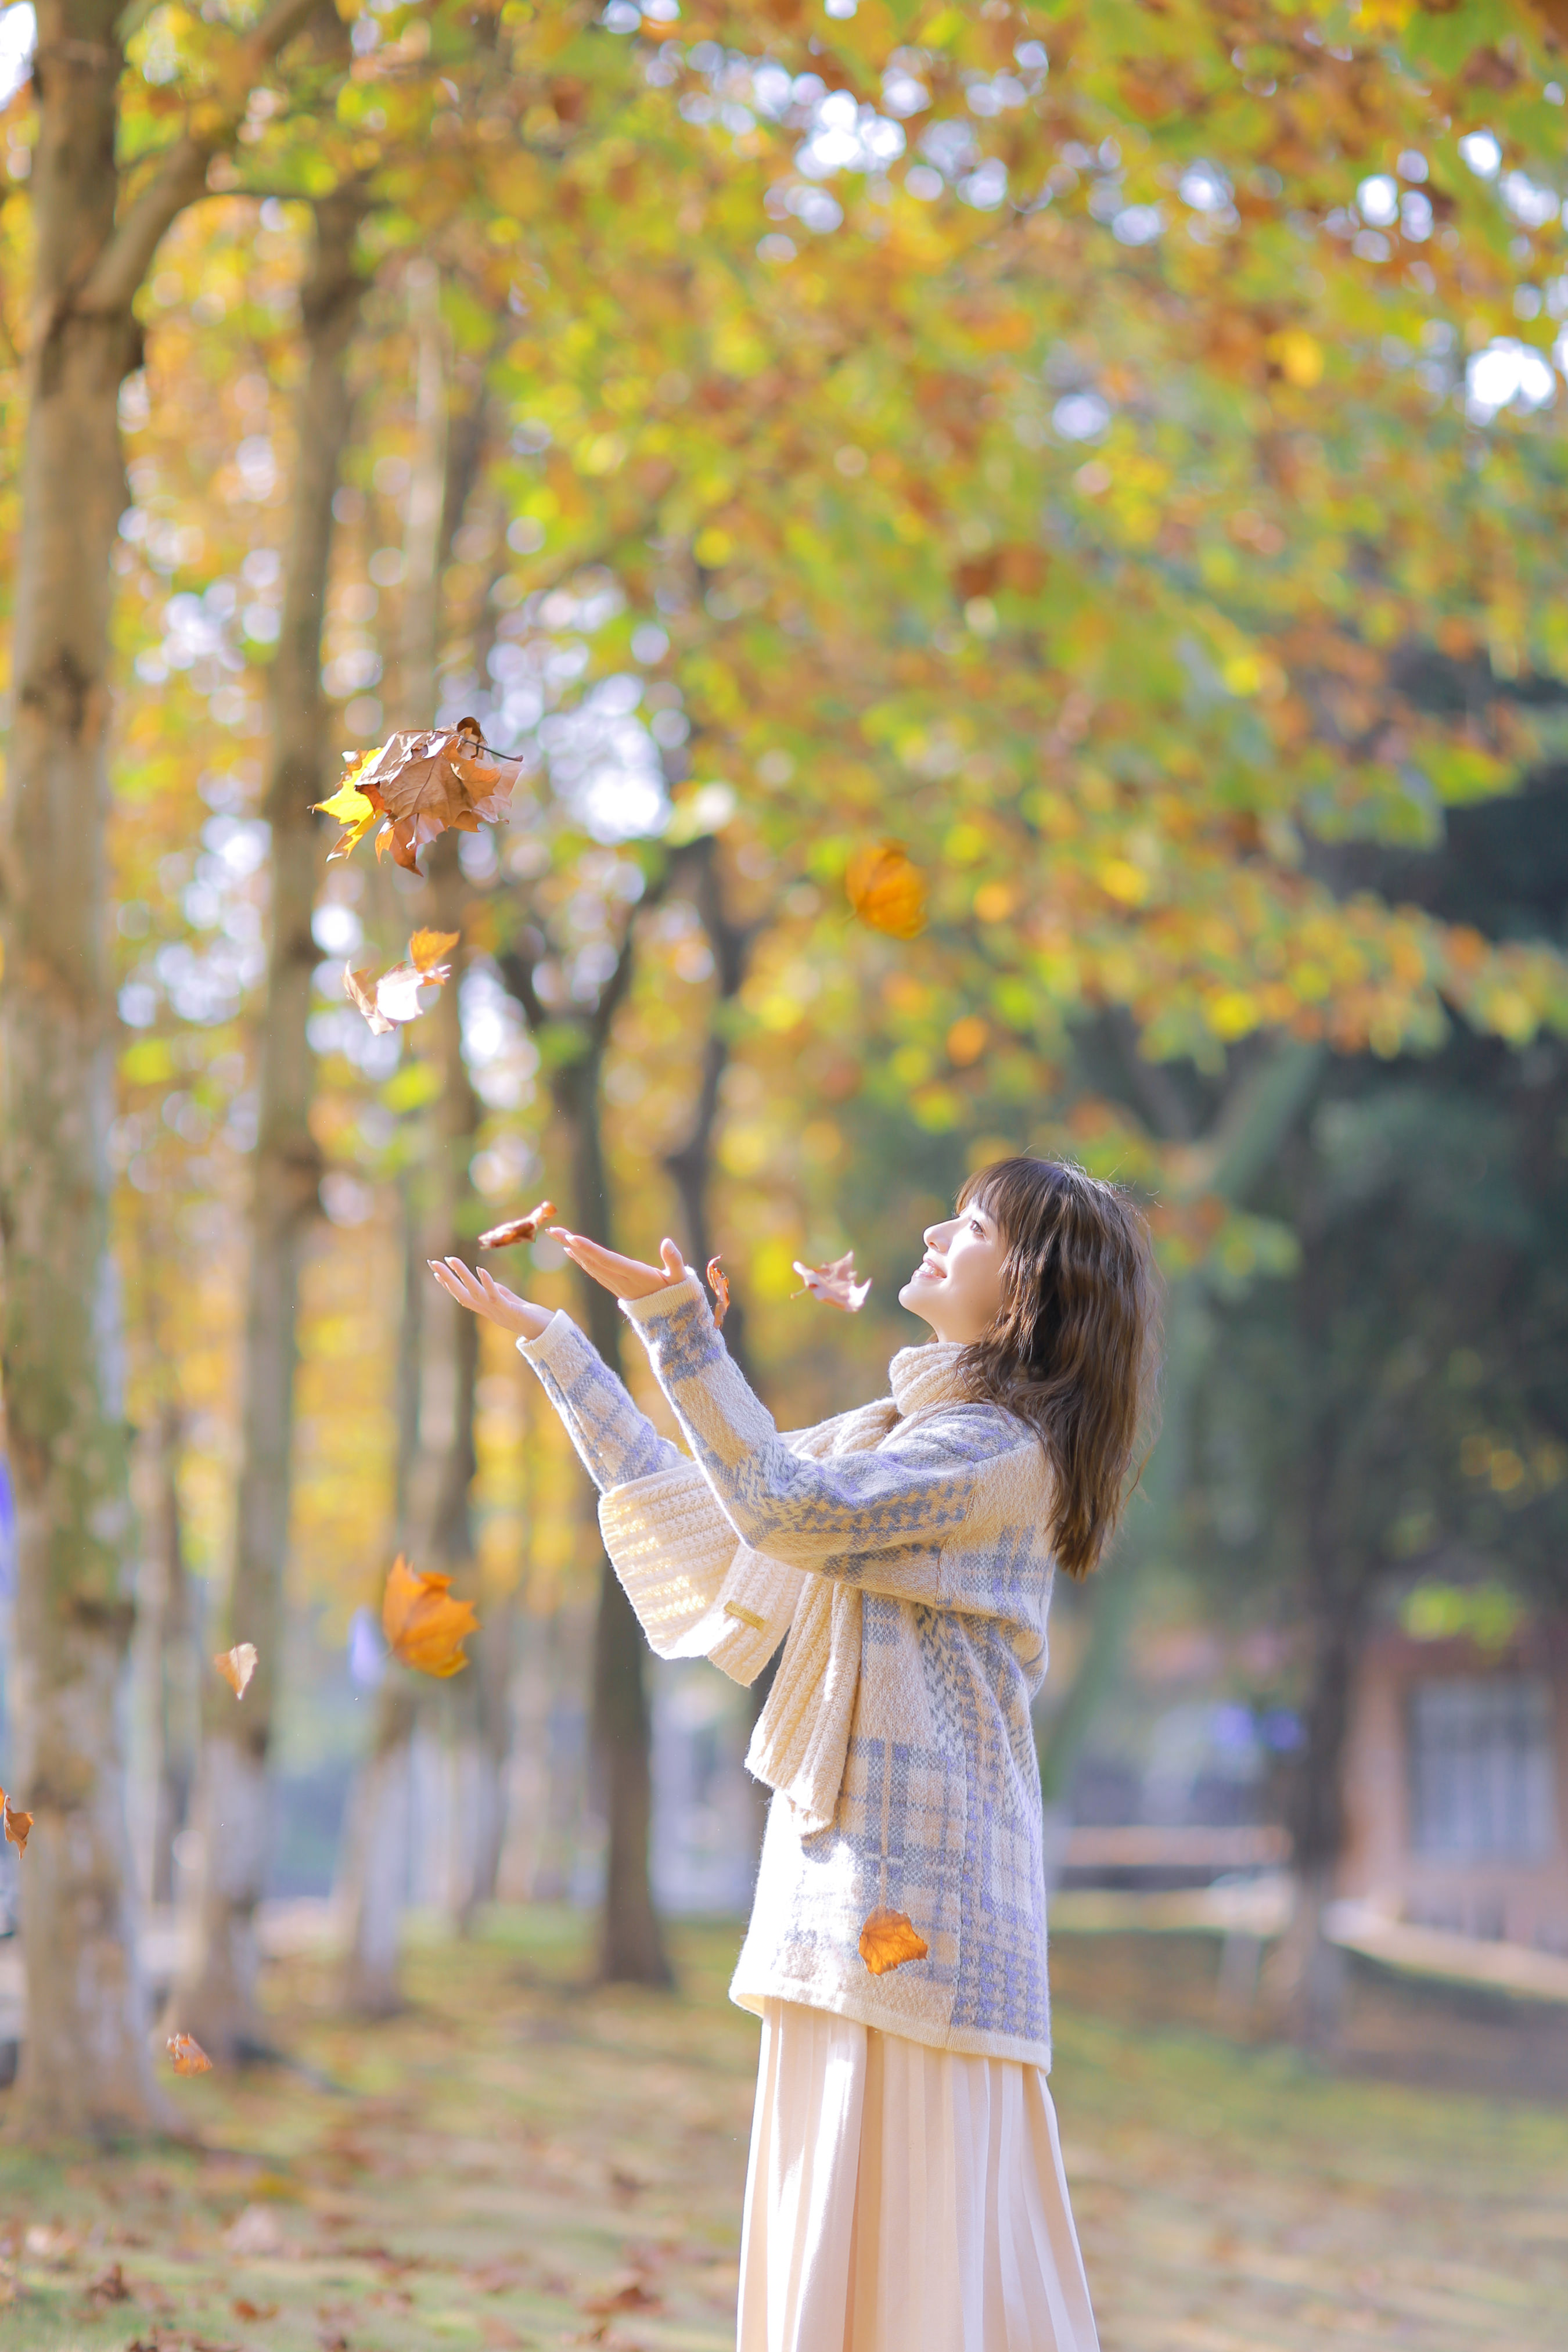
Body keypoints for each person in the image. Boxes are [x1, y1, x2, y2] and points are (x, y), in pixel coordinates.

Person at [430, 1155, 1160, 2352]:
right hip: (849, 1893)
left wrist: (678, 1331)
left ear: (1027, 1282)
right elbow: (718, 1528)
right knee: (842, 2245)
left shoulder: (989, 1454)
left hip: (925, 1917)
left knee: (923, 2278)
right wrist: (560, 1345)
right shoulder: (894, 1436)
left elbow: (784, 1508)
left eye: (970, 1224)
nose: (933, 1227)